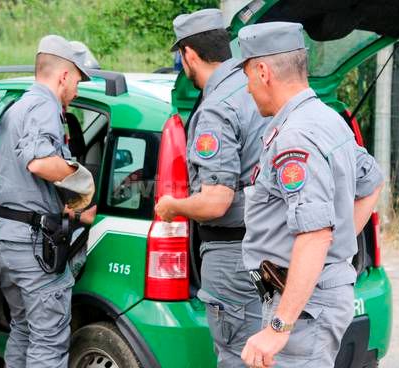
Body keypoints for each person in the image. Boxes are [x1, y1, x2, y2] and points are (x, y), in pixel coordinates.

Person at [236, 22, 384, 367]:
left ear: (263, 71)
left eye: (247, 77)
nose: (247, 88)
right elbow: (372, 182)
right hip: (307, 298)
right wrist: (332, 249)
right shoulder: (326, 119)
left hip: (304, 308)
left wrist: (278, 325)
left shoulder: (296, 136)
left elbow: (315, 234)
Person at [154, 8, 267, 368]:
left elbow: (217, 201)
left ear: (188, 55)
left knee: (237, 357)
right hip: (275, 248)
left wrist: (173, 205)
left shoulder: (216, 109)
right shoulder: (259, 90)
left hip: (233, 255)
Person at [0, 34, 97, 368]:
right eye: (77, 80)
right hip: (33, 246)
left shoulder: (15, 106)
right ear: (63, 76)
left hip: (7, 238)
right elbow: (39, 161)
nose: (77, 89)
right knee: (48, 342)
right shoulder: (44, 105)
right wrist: (83, 182)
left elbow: (22, 178)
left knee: (23, 330)